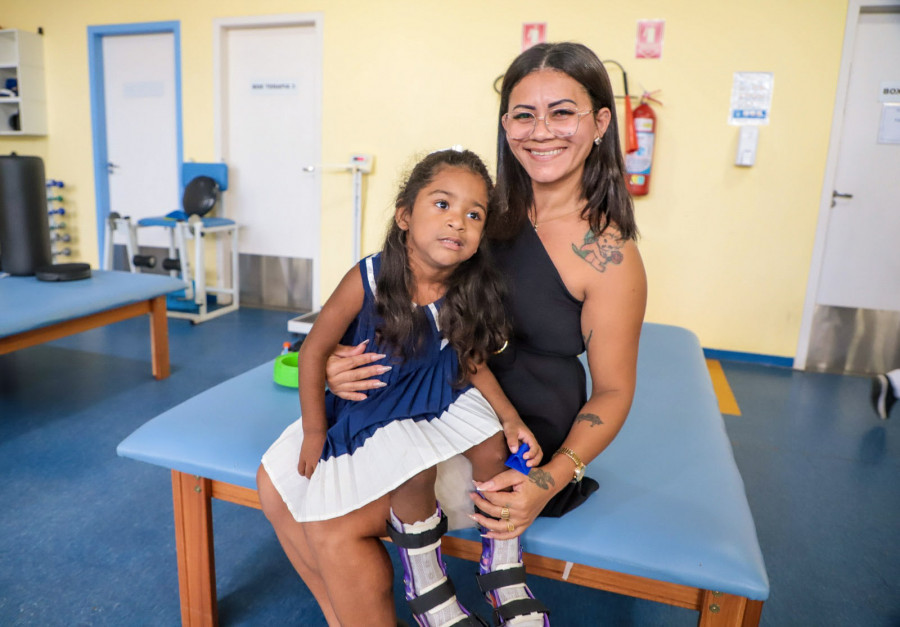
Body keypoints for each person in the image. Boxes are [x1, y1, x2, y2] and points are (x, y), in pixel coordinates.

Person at [258, 41, 647, 625]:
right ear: (505, 125)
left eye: (562, 111)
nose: (542, 130)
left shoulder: (608, 254)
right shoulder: (477, 212)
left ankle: (431, 594)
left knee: (331, 525)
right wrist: (337, 358)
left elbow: (614, 391)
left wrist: (545, 481)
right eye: (523, 114)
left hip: (511, 439)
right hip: (420, 391)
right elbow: (395, 299)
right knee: (274, 479)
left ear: (599, 123)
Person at [260, 148, 550, 626]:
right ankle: (427, 581)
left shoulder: (464, 288)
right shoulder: (369, 277)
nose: (457, 221)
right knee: (413, 474)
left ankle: (502, 562)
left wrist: (511, 417)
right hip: (381, 403)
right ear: (403, 216)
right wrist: (315, 431)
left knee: (494, 444)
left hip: (436, 392)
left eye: (472, 214)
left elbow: (471, 358)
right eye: (442, 205)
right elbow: (313, 351)